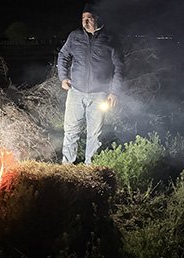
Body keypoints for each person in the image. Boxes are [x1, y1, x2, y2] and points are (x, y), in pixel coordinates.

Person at [57, 5, 126, 165]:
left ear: (97, 19)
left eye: (89, 18)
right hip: (76, 91)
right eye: (83, 18)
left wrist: (114, 92)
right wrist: (63, 77)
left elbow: (120, 67)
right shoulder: (74, 37)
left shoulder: (110, 39)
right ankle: (67, 167)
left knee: (95, 134)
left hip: (99, 94)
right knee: (71, 131)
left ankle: (90, 169)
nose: (85, 22)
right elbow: (63, 55)